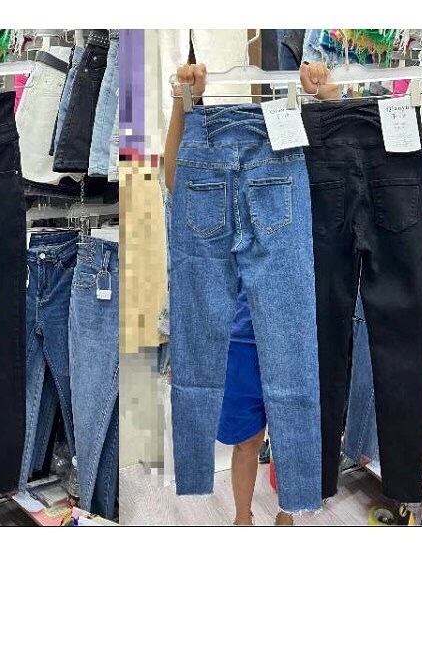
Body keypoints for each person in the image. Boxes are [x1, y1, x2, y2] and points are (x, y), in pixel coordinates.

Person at [165, 63, 301, 526]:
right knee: (248, 438)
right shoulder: (201, 175)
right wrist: (184, 105)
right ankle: (243, 517)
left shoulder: (286, 161)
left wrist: (322, 100)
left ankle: (287, 512)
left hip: (283, 327)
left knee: (294, 422)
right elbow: (174, 179)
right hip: (239, 339)